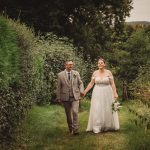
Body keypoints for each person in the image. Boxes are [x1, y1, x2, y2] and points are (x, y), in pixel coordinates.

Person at [84, 57, 119, 133]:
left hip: (107, 91)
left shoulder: (109, 72)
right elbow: (91, 84)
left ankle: (107, 125)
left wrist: (115, 93)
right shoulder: (95, 73)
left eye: (101, 63)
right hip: (97, 92)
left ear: (104, 64)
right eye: (98, 63)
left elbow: (112, 84)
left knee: (107, 108)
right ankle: (97, 126)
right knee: (97, 108)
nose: (100, 64)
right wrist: (85, 91)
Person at [56, 60, 84, 135]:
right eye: (70, 65)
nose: (71, 66)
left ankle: (75, 129)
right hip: (65, 97)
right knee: (68, 114)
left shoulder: (76, 73)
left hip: (75, 96)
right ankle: (70, 129)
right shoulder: (60, 75)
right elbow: (59, 87)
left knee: (75, 112)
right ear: (66, 65)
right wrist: (58, 97)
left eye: (72, 64)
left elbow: (80, 83)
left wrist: (81, 91)